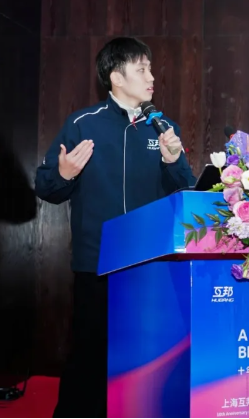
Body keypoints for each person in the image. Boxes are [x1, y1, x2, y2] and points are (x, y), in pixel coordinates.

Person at [35, 37, 196, 417]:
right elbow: (46, 188)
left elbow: (186, 194)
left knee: (151, 360)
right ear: (116, 77)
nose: (152, 77)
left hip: (152, 264)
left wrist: (173, 160)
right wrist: (63, 174)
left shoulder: (163, 128)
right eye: (142, 69)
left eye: (151, 69)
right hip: (97, 264)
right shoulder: (82, 124)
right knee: (89, 356)